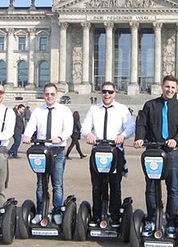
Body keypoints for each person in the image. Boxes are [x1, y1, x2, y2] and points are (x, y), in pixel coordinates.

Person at [134, 75, 178, 237]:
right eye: (167, 87)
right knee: (151, 188)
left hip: (171, 152)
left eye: (173, 87)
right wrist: (139, 138)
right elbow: (142, 124)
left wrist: (175, 140)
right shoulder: (150, 105)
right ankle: (152, 219)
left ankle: (171, 221)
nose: (170, 90)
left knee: (172, 188)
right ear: (162, 87)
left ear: (176, 88)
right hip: (153, 151)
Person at [81, 81, 135, 227]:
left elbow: (131, 126)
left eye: (110, 92)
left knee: (115, 185)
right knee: (97, 185)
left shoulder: (122, 109)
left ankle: (115, 215)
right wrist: (88, 135)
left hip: (115, 150)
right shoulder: (94, 109)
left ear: (114, 93)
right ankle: (97, 214)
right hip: (98, 150)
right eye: (104, 91)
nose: (107, 94)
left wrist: (123, 136)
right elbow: (85, 126)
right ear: (101, 93)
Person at [23, 83, 73, 225]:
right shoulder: (38, 110)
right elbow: (31, 126)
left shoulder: (64, 110)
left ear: (56, 95)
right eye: (46, 94)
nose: (49, 97)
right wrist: (27, 135)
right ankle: (40, 211)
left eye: (52, 94)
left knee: (57, 184)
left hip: (57, 150)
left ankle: (56, 211)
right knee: (40, 184)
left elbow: (68, 128)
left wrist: (60, 138)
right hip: (42, 151)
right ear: (43, 95)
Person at [0, 85, 16, 207]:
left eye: (1, 92)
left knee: (0, 188)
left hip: (0, 151)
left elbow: (8, 132)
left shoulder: (8, 112)